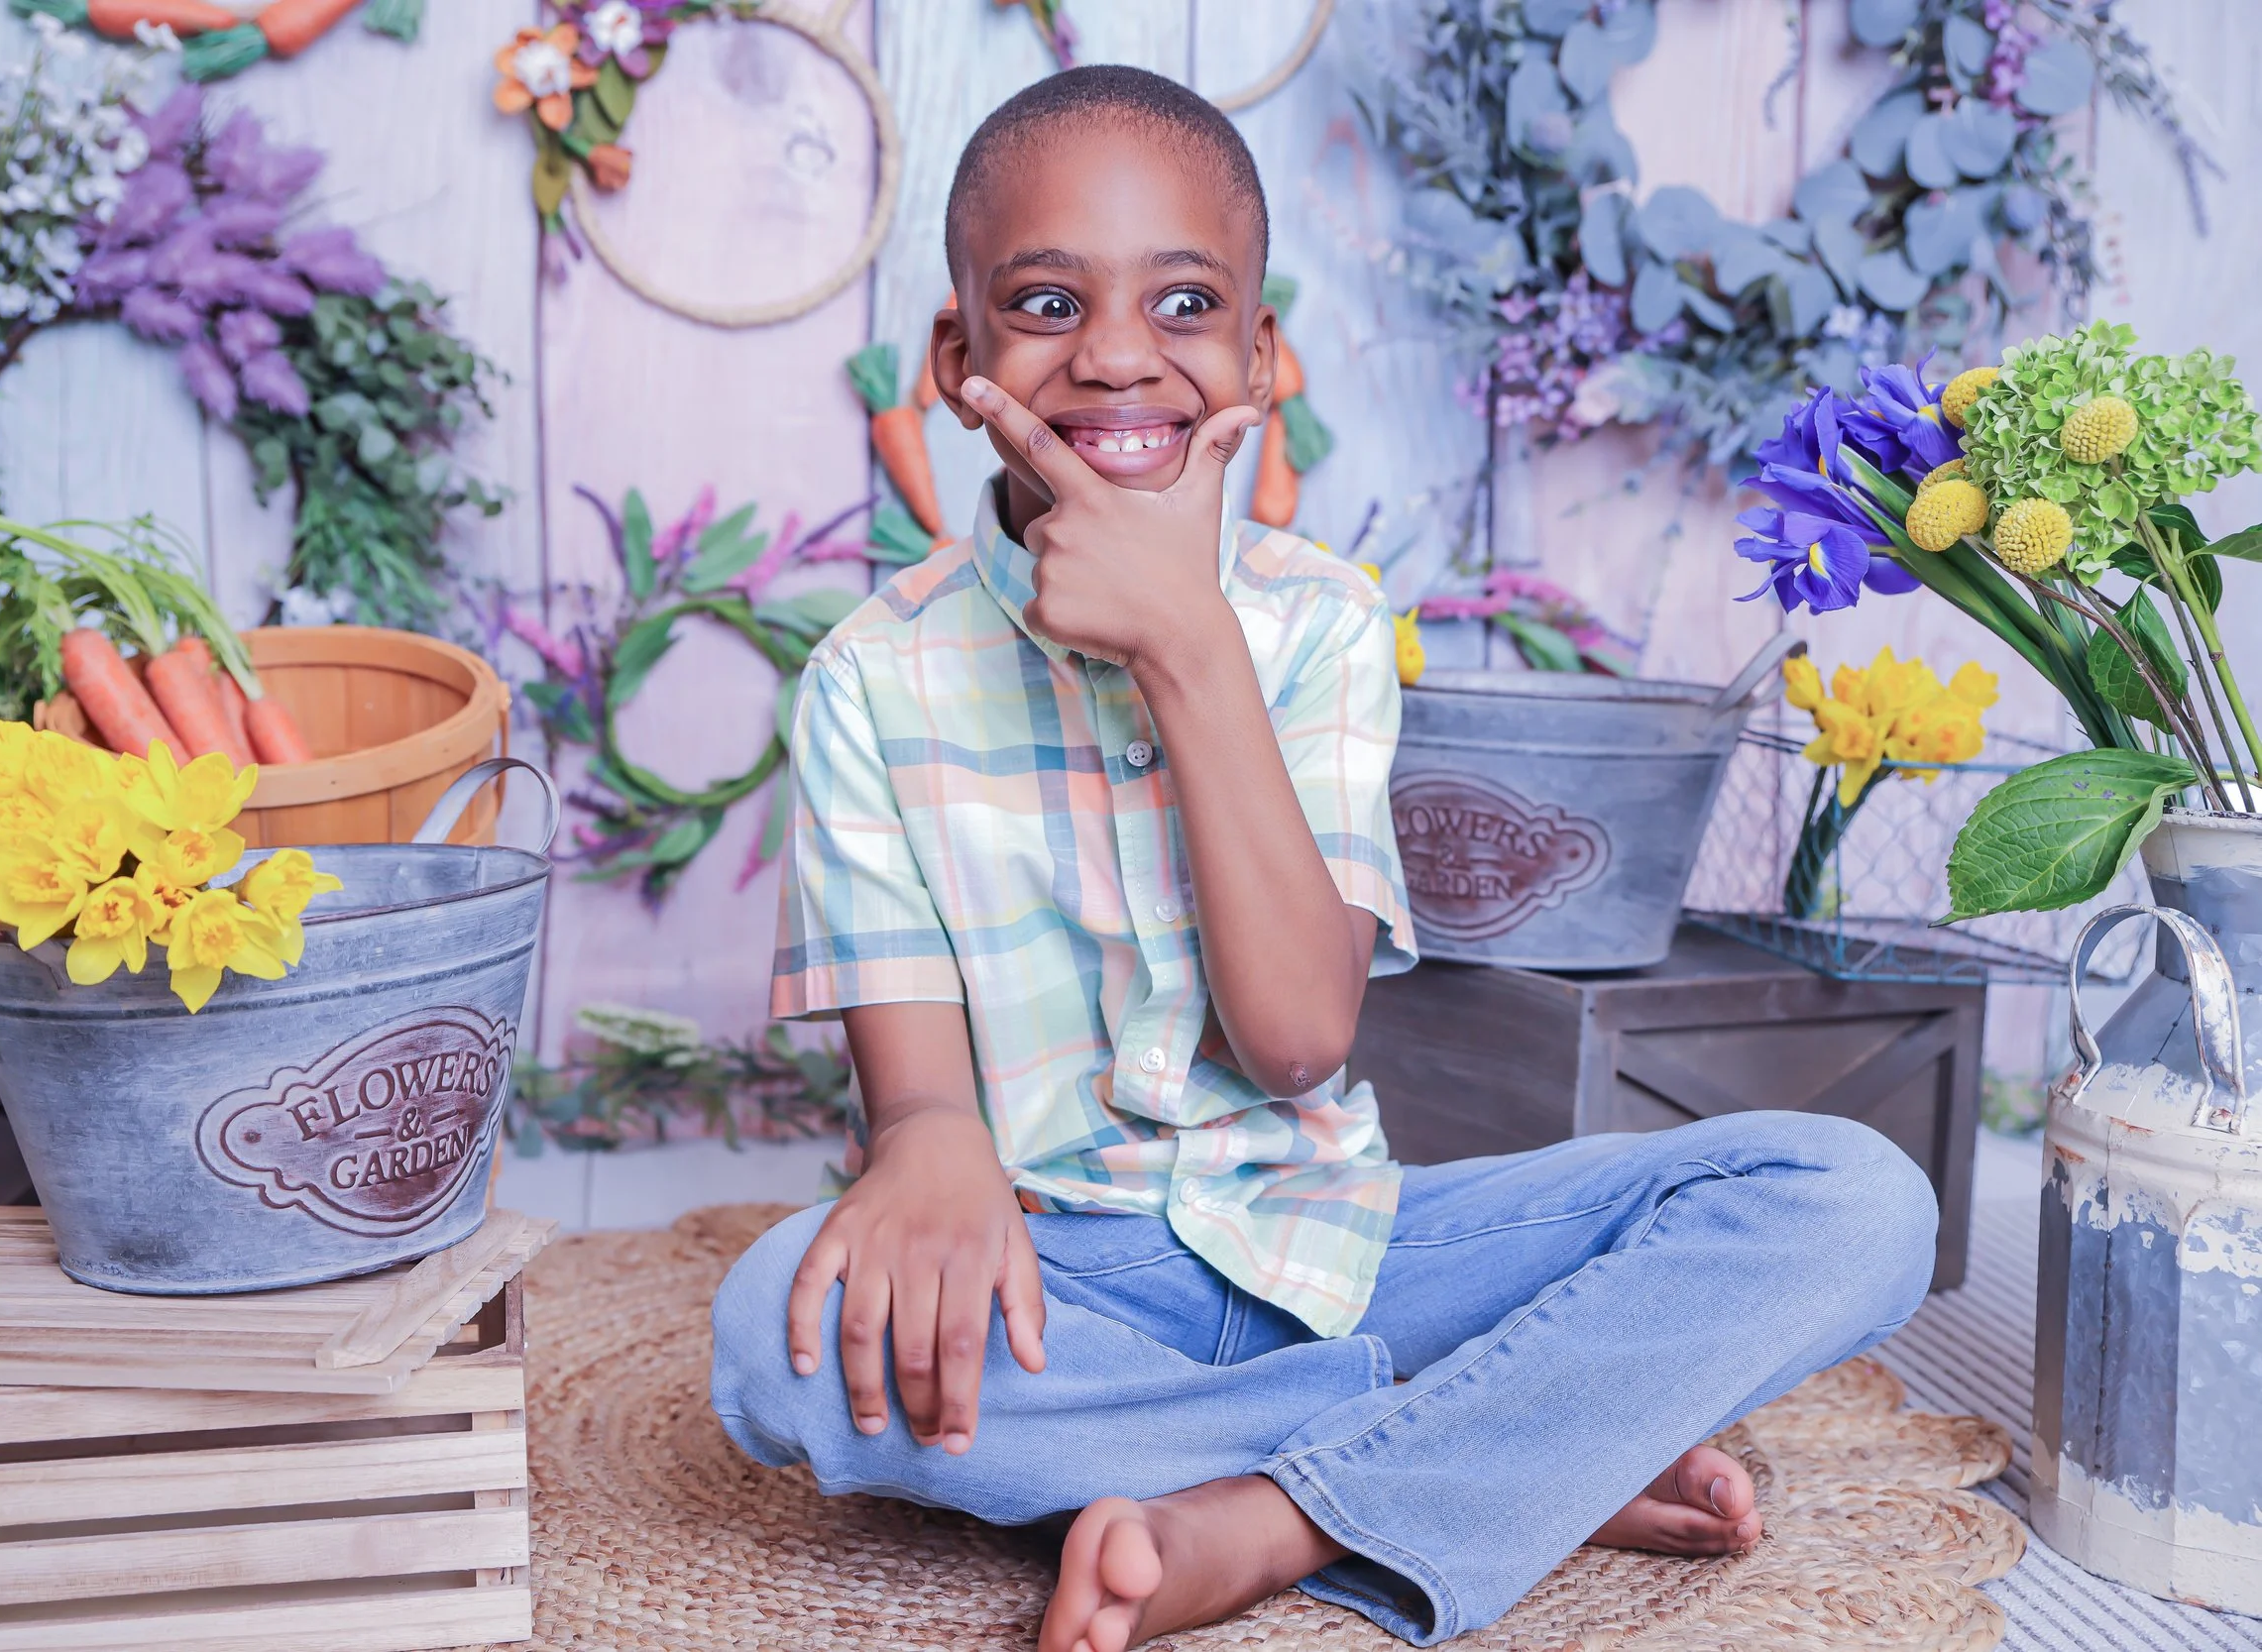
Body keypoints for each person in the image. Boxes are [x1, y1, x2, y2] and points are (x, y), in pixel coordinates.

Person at [710, 63, 1939, 1652]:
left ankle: (1278, 1511)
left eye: (1184, 301)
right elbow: (924, 1108)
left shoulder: (1319, 624)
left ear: (1258, 355)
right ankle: (1488, 1449)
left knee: (1851, 1198)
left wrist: (1187, 642)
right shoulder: (873, 676)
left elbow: (1295, 1038)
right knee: (768, 1331)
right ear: (958, 356)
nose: (1116, 354)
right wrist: (926, 1146)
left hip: (1340, 1245)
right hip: (1058, 1277)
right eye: (1042, 300)